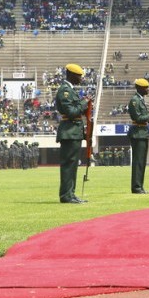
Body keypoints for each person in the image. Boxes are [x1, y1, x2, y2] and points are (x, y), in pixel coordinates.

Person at [55, 63, 90, 204]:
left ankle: (71, 193)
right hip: (69, 131)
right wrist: (84, 104)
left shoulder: (70, 90)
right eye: (79, 76)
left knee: (73, 165)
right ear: (71, 75)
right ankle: (66, 195)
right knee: (69, 164)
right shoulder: (65, 91)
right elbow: (71, 112)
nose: (81, 79)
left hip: (74, 132)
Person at [128, 78, 149, 193]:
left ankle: (140, 186)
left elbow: (145, 119)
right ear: (140, 88)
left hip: (142, 132)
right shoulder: (135, 101)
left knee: (142, 161)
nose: (148, 90)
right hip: (138, 133)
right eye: (145, 88)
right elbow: (138, 118)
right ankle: (136, 187)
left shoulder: (140, 100)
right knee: (138, 162)